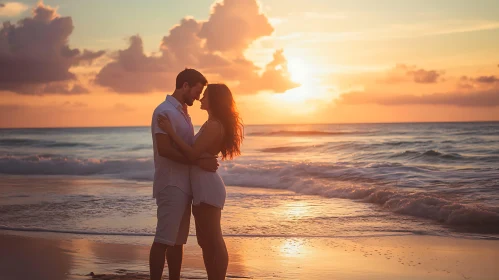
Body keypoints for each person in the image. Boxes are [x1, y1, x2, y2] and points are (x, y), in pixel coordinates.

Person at [157, 83, 244, 280]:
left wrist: (170, 132)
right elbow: (196, 154)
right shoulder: (211, 123)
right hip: (201, 185)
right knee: (205, 241)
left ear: (214, 100)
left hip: (207, 187)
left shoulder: (214, 125)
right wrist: (202, 159)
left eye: (205, 96)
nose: (200, 98)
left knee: (214, 239)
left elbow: (192, 153)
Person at [149, 69, 219, 280]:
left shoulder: (183, 113)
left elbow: (187, 147)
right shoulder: (164, 112)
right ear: (185, 85)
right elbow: (165, 150)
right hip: (170, 184)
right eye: (197, 91)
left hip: (184, 185)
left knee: (177, 241)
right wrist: (198, 161)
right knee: (163, 238)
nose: (198, 97)